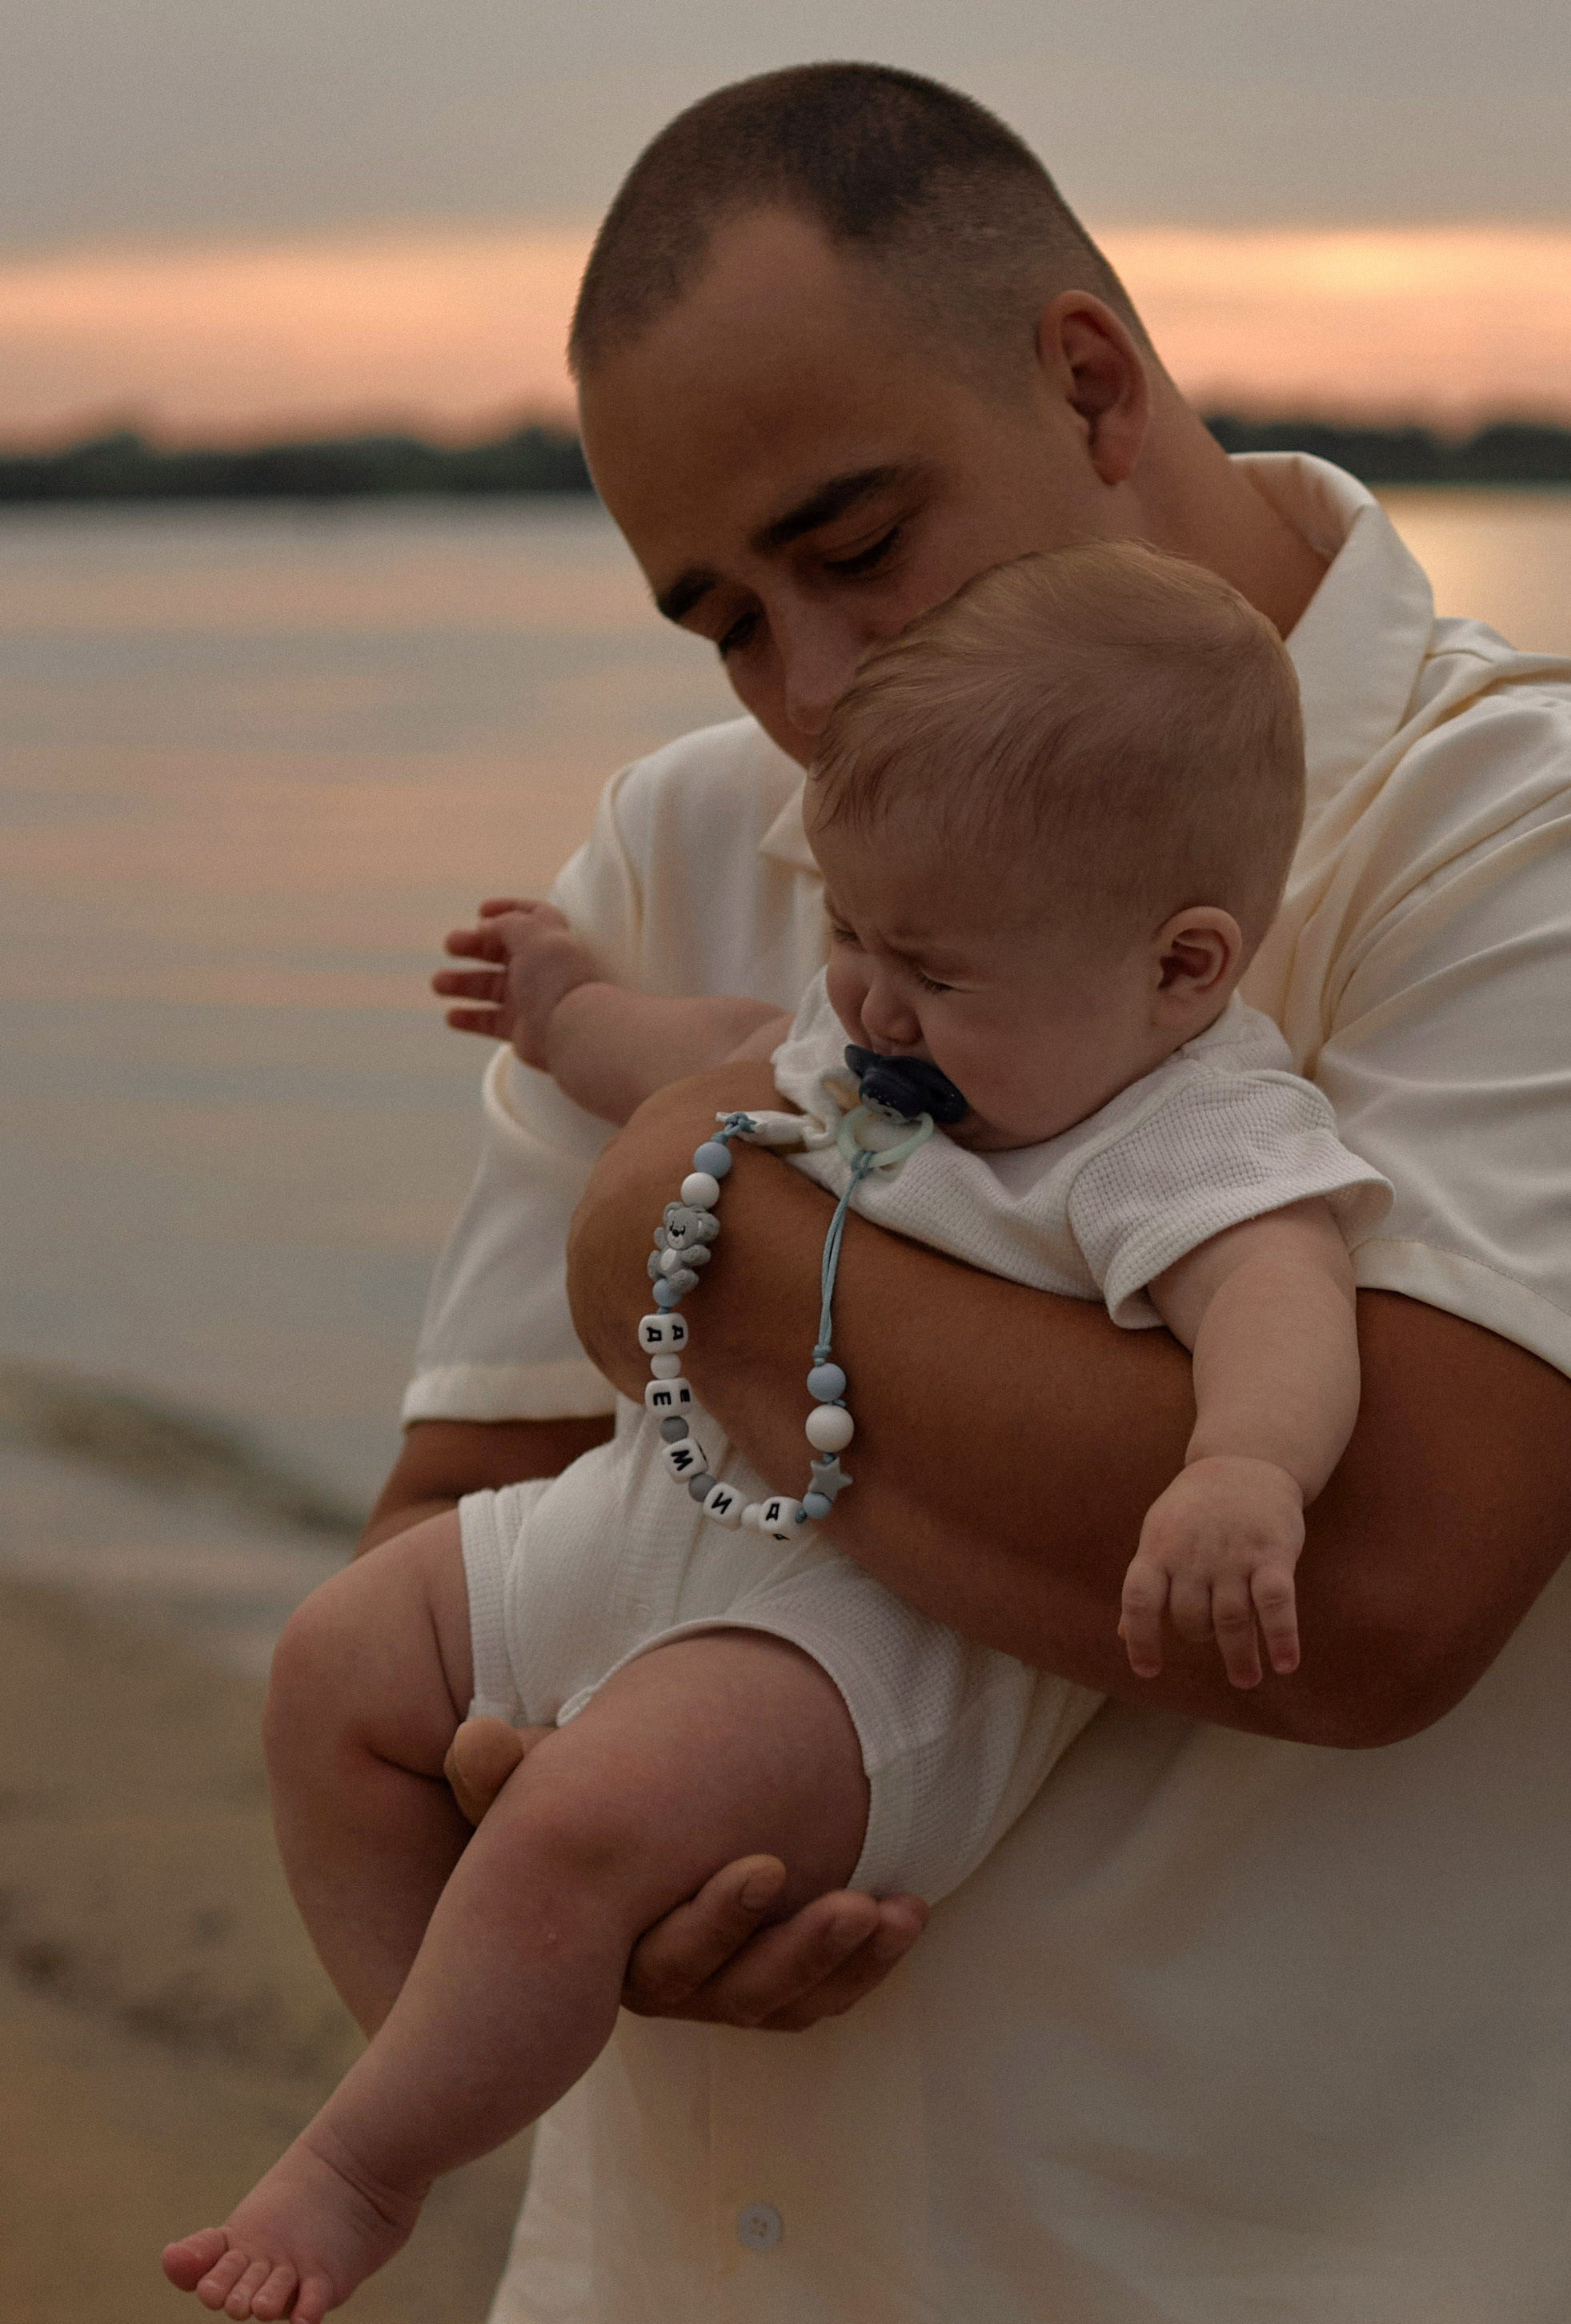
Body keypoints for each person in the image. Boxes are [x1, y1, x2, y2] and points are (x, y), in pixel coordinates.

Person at [360, 62, 1571, 2324]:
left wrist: (678, 1234)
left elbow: (1392, 1574)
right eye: (724, 616)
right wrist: (534, 1803)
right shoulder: (688, 843)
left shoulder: (1512, 830)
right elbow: (453, 1520)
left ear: (1089, 378)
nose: (811, 691)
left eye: (853, 547)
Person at [161, 543, 1391, 2323]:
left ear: (1181, 967)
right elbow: (719, 1048)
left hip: (869, 1629)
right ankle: (448, 2046)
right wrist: (564, 1003)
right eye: (849, 934)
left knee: (582, 1815)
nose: (874, 1007)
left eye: (934, 973)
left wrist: (1242, 1470)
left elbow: (1281, 1295)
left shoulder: (1188, 1131)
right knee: (333, 1666)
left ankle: (366, 2167)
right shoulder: (889, 1014)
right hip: (665, 1505)